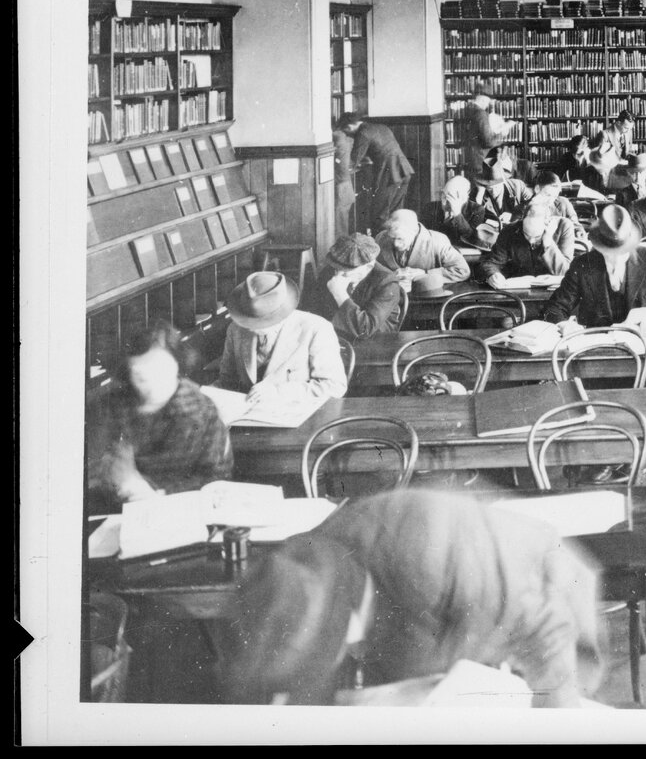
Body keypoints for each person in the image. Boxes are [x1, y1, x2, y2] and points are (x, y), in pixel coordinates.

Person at [217, 489, 604, 707]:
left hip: (542, 587)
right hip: (422, 604)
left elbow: (545, 628)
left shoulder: (442, 558)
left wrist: (555, 716)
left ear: (348, 622)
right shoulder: (308, 557)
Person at [85, 320, 233, 512]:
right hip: (115, 510)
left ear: (177, 364)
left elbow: (216, 479)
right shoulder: (111, 404)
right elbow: (90, 466)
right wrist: (114, 480)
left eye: (159, 369)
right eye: (140, 376)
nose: (152, 384)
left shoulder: (202, 411)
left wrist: (153, 493)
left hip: (183, 512)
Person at [208, 271, 348, 408]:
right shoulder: (236, 328)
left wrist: (279, 392)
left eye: (263, 320)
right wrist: (205, 395)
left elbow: (334, 386)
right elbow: (227, 381)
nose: (251, 327)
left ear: (283, 311)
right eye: (249, 320)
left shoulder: (317, 328)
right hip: (250, 415)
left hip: (295, 415)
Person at [543, 204, 646, 331]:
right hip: (597, 349)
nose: (615, 258)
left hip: (644, 347)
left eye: (621, 251)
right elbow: (554, 308)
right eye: (609, 252)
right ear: (599, 246)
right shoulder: (582, 265)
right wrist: (564, 325)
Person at [301, 233, 407, 340]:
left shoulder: (387, 283)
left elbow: (365, 329)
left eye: (346, 270)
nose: (338, 274)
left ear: (368, 267)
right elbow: (313, 310)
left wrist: (340, 294)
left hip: (375, 342)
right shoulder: (329, 272)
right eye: (336, 267)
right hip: (337, 338)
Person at [337, 112, 415, 228]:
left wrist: (338, 161)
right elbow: (381, 149)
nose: (348, 136)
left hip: (390, 176)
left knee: (379, 215)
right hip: (404, 171)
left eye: (346, 133)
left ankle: (379, 244)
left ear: (349, 127)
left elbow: (353, 161)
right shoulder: (380, 127)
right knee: (395, 213)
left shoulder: (363, 133)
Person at [477, 194, 577, 284]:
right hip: (521, 288)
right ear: (522, 220)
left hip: (553, 292)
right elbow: (492, 262)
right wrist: (493, 274)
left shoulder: (564, 227)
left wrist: (548, 243)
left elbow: (565, 272)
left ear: (548, 223)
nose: (531, 241)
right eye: (526, 235)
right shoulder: (511, 230)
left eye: (537, 237)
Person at [376, 209, 471, 286]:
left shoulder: (437, 241)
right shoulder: (381, 238)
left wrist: (426, 274)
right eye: (392, 238)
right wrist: (390, 276)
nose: (396, 244)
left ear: (414, 231)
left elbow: (462, 271)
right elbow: (371, 269)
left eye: (400, 239)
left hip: (427, 299)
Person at [332, 124, 357, 239]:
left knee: (340, 221)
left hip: (342, 185)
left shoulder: (338, 137)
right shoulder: (349, 140)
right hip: (347, 185)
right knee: (343, 220)